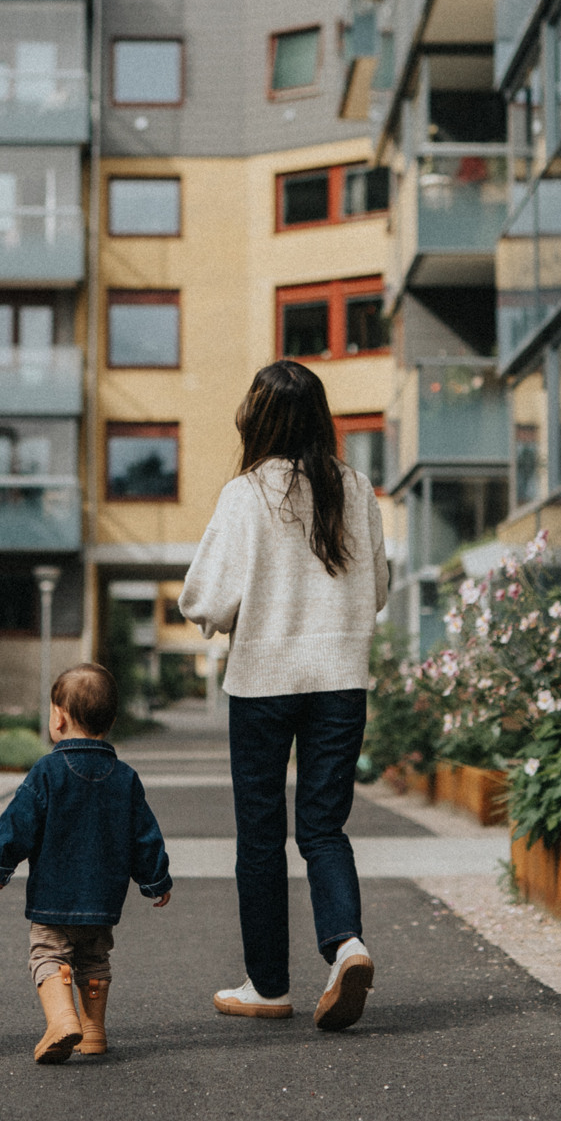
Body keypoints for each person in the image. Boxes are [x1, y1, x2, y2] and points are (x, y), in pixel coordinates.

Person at [179, 359, 389, 1031]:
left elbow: (205, 599)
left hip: (263, 684)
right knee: (324, 827)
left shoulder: (246, 493)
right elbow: (377, 590)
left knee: (261, 835)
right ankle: (346, 946)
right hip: (341, 681)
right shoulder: (356, 488)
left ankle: (268, 986)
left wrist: (241, 610)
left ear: (258, 419)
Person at [0, 663, 172, 1063]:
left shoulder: (47, 771)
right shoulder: (126, 777)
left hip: (54, 898)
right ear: (111, 721)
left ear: (59, 718)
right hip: (102, 901)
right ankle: (94, 1032)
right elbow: (144, 835)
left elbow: (18, 822)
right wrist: (155, 880)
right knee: (94, 960)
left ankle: (63, 1019)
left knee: (47, 954)